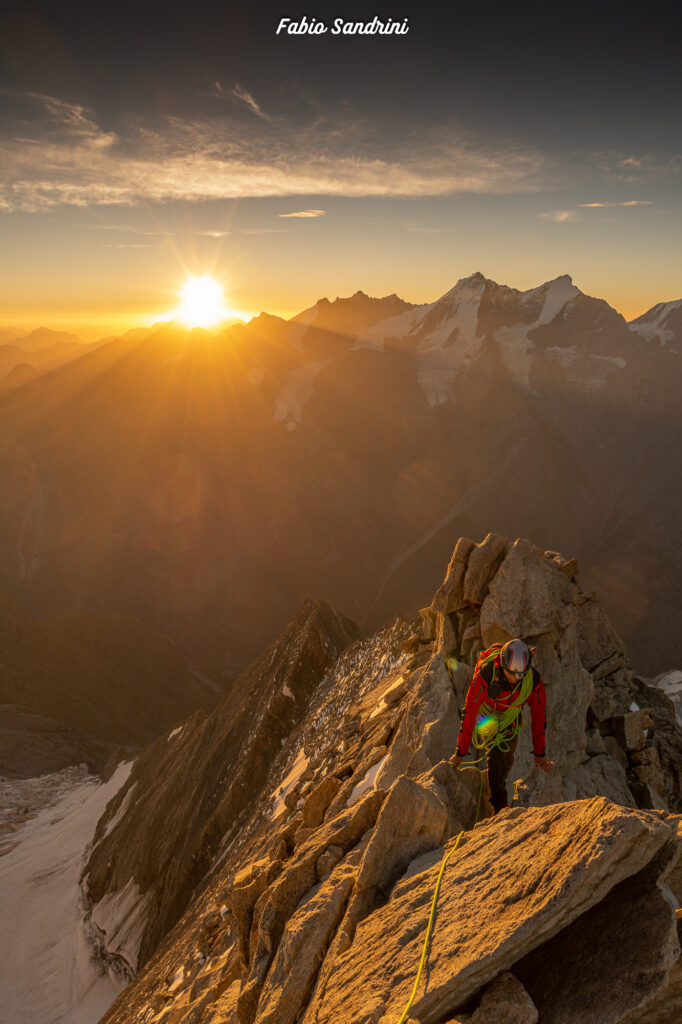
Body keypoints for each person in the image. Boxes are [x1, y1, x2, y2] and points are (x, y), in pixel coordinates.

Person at [450, 639, 551, 812]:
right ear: (502, 665)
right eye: (512, 674)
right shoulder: (484, 676)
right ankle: (499, 807)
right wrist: (460, 753)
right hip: (486, 715)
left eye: (520, 675)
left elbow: (539, 715)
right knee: (495, 754)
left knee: (506, 759)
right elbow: (469, 713)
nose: (516, 679)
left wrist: (539, 754)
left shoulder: (531, 680)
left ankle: (496, 786)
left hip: (510, 716)